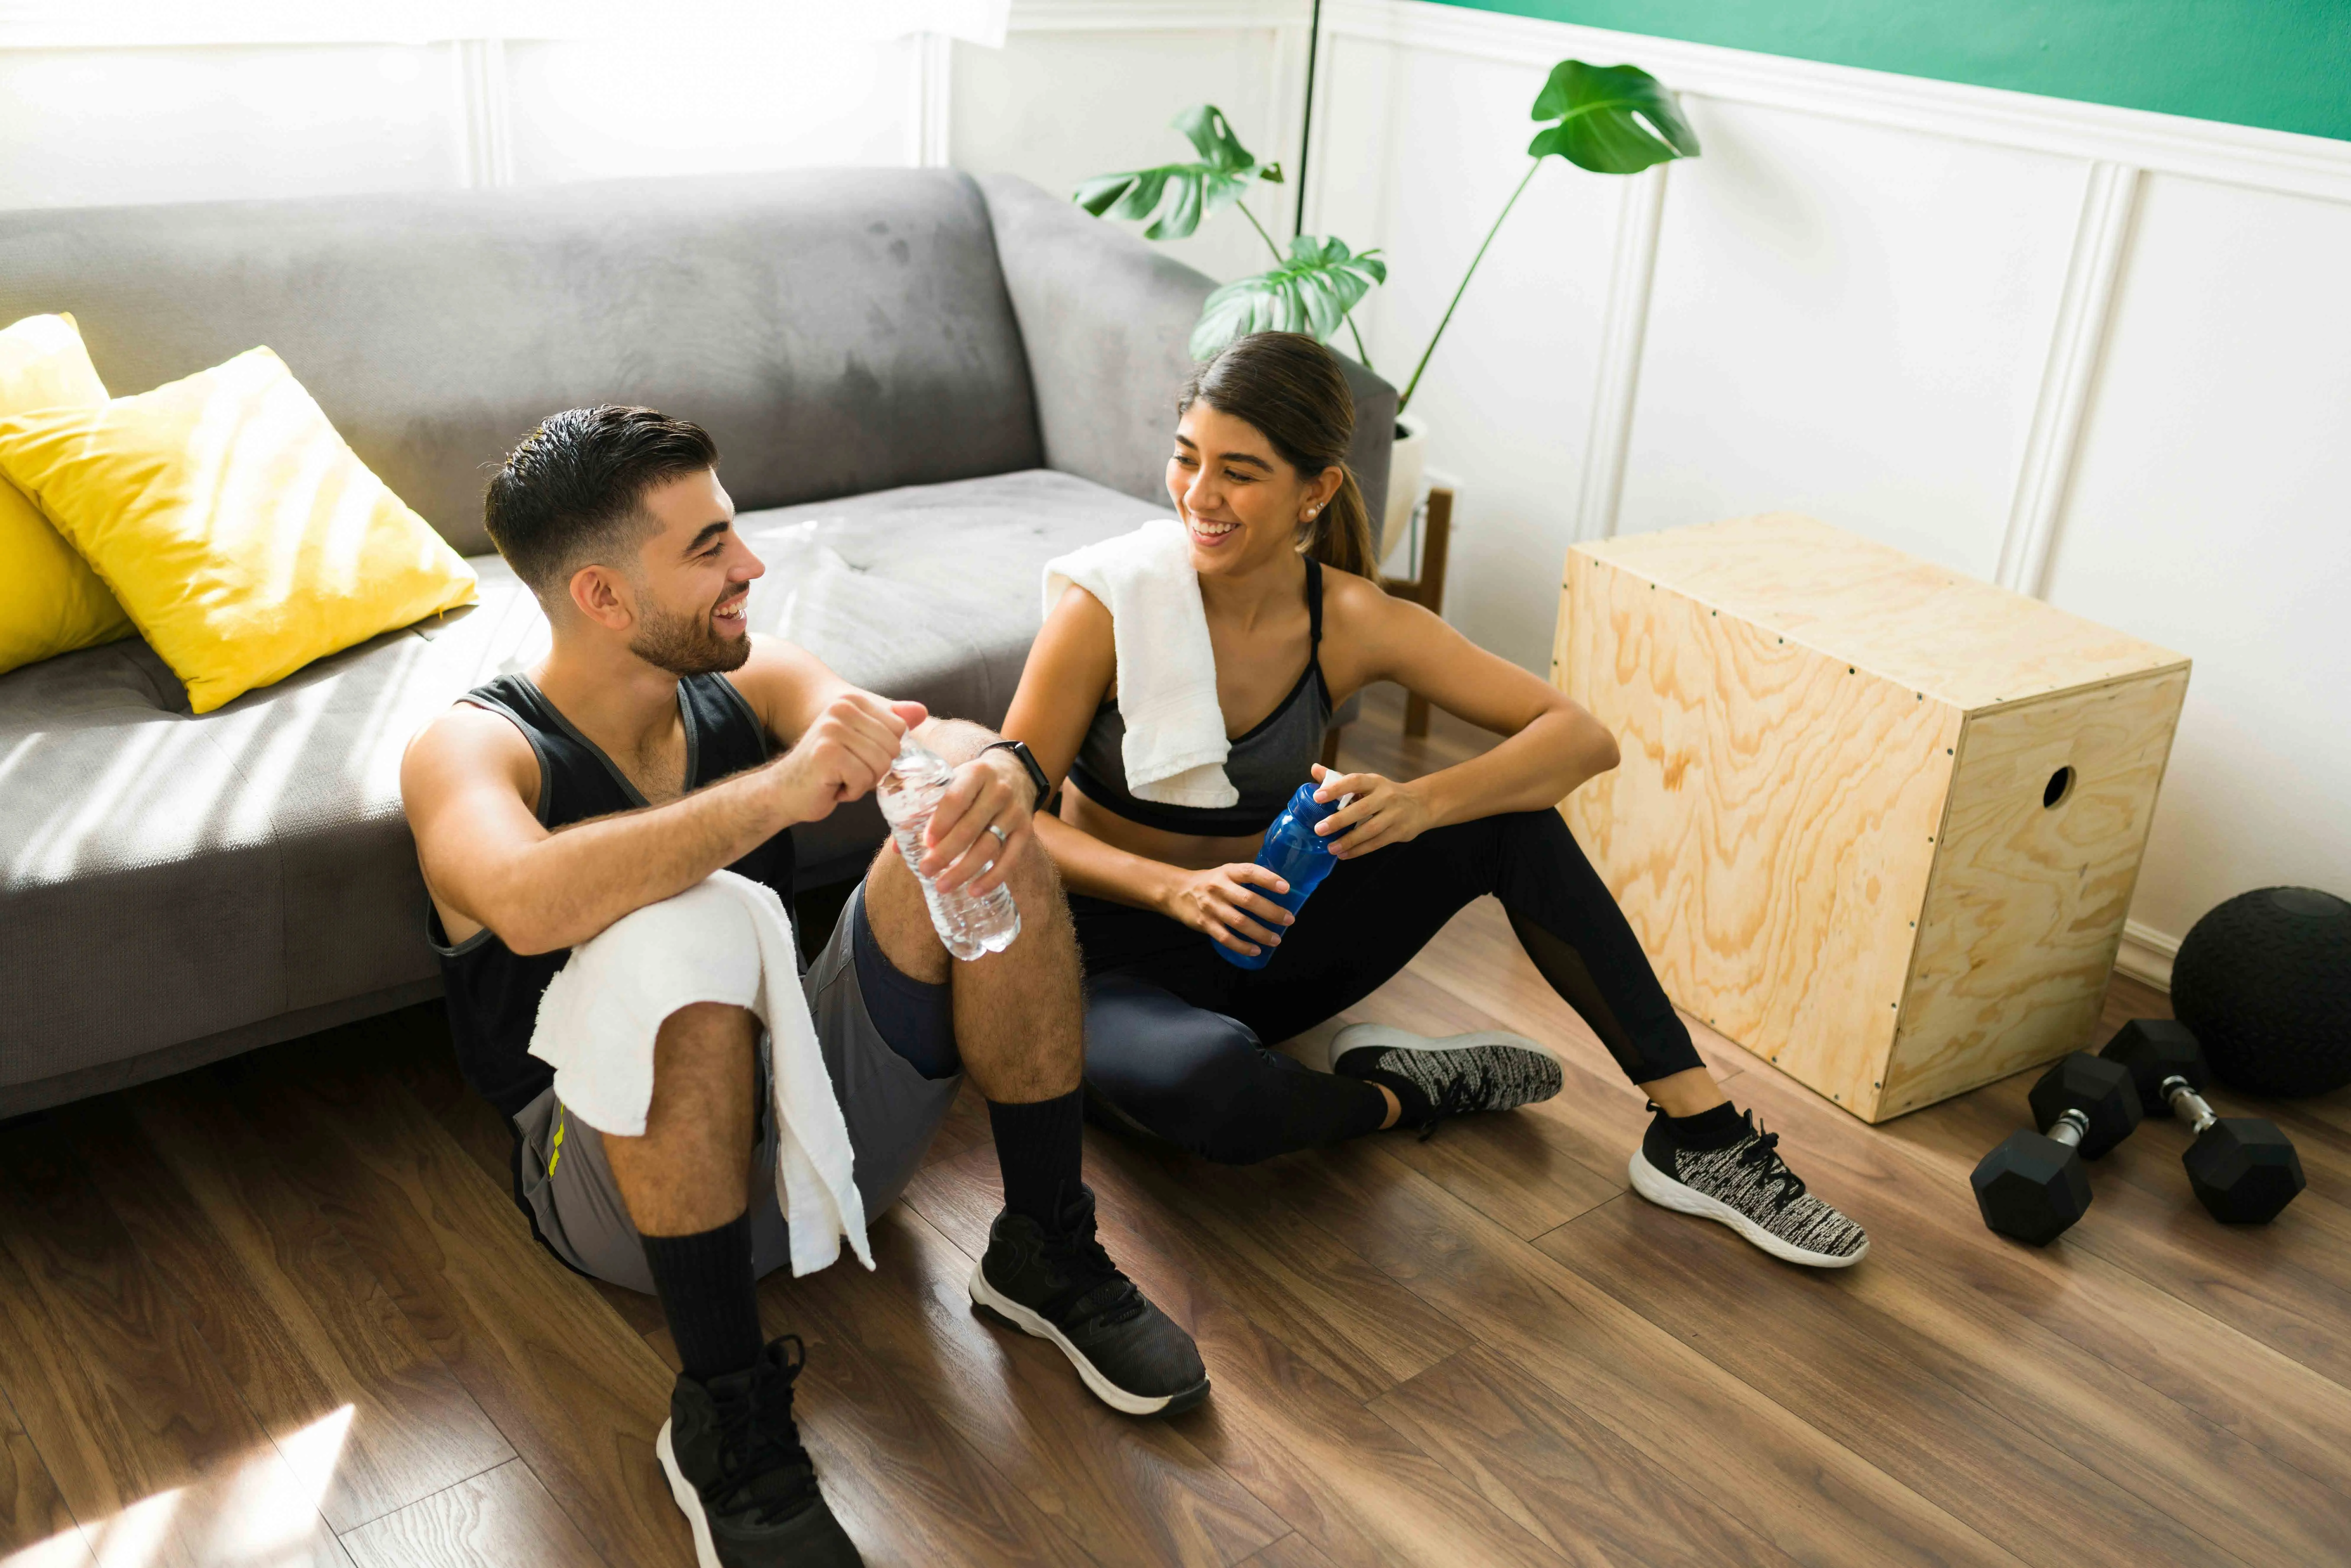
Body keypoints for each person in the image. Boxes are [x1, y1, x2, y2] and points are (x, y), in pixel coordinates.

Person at [399, 406, 1207, 1568]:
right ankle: (724, 1411)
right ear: (603, 597)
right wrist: (776, 795)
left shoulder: (756, 676)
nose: (751, 565)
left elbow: (906, 746)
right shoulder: (472, 750)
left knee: (978, 824)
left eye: (733, 531)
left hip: (822, 1135)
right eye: (709, 549)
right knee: (681, 933)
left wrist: (979, 769)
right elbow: (524, 899)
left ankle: (1045, 1246)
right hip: (616, 1196)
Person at [1001, 332, 1869, 1270]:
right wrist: (1172, 889)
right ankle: (1406, 1093)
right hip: (1108, 964)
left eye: (1239, 474)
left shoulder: (1349, 620)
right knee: (1211, 1091)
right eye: (1187, 459)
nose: (1198, 496)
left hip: (1266, 939)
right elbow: (1014, 821)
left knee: (1511, 822)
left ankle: (1701, 1135)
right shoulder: (1107, 608)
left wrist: (1422, 802)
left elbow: (1582, 736)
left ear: (1316, 491)